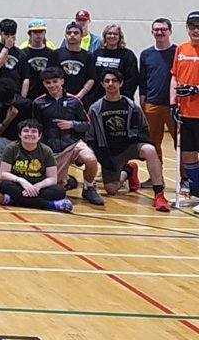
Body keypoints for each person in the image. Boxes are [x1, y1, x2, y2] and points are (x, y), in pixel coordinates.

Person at [88, 68, 169, 210]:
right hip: (111, 152)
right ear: (102, 84)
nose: (111, 84)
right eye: (107, 81)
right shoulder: (95, 108)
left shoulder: (131, 105)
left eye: (114, 81)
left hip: (129, 147)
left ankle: (159, 194)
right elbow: (91, 136)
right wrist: (102, 157)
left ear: (121, 83)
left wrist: (138, 140)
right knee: (111, 190)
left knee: (150, 150)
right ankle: (129, 171)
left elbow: (144, 128)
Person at [33, 67, 103, 205]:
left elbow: (87, 124)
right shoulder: (38, 103)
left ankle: (89, 187)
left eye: (55, 81)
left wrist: (72, 124)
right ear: (44, 84)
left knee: (90, 159)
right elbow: (35, 127)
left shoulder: (74, 101)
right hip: (51, 148)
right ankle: (67, 180)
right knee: (56, 189)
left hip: (73, 143)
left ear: (62, 81)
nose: (52, 85)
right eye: (48, 82)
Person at [0, 78, 32, 191]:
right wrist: (8, 119)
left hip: (23, 142)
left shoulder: (27, 104)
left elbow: (32, 130)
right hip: (4, 140)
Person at [139, 18, 177, 167]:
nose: (160, 32)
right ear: (152, 32)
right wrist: (142, 100)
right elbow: (142, 79)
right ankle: (156, 178)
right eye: (157, 29)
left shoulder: (177, 52)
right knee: (153, 142)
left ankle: (185, 178)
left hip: (173, 105)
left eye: (163, 29)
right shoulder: (146, 54)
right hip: (151, 104)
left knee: (180, 142)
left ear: (170, 31)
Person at [171, 11, 199, 201]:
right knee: (188, 154)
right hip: (186, 112)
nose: (196, 30)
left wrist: (196, 88)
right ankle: (196, 192)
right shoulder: (181, 49)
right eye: (192, 26)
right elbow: (174, 76)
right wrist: (173, 103)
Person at [89, 24, 139, 105]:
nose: (112, 36)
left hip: (120, 100)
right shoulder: (97, 53)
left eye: (115, 34)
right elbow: (92, 75)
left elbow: (132, 79)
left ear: (120, 37)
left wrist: (124, 98)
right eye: (109, 33)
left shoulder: (127, 55)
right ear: (105, 36)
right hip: (97, 99)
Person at [57, 22, 96, 107]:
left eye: (76, 33)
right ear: (65, 35)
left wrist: (79, 95)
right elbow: (52, 77)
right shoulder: (56, 54)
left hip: (81, 99)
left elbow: (91, 79)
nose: (72, 35)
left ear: (81, 35)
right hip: (59, 98)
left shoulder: (88, 56)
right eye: (69, 33)